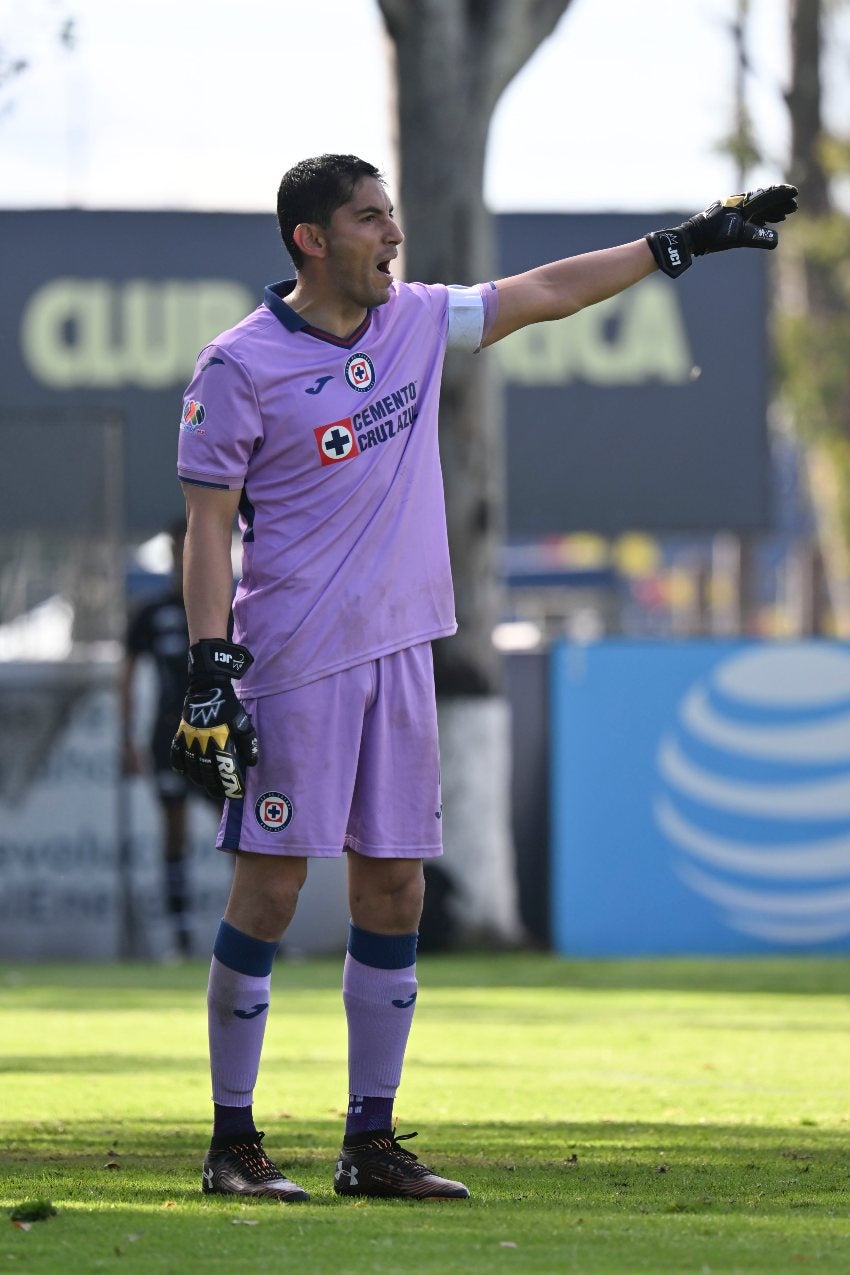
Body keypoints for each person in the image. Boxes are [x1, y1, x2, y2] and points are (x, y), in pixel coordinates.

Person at [171, 155, 797, 1202]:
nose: (392, 235)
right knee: (271, 890)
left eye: (393, 216)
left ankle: (369, 1144)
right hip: (294, 665)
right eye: (370, 219)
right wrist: (207, 667)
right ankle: (232, 1144)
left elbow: (541, 294)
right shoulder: (238, 366)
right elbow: (204, 531)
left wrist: (677, 244)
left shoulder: (414, 321)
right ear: (310, 239)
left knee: (396, 886)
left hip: (405, 654)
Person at [123, 519, 213, 958]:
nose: (184, 555)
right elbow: (127, 676)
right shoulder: (150, 612)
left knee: (242, 832)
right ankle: (181, 939)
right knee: (174, 832)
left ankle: (261, 933)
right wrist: (127, 739)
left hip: (218, 737)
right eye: (179, 547)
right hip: (167, 738)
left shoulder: (226, 606)